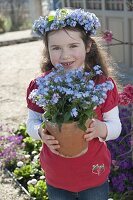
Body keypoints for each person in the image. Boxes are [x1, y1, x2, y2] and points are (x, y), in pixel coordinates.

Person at [26, 8, 122, 200]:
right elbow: (32, 122)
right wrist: (40, 132)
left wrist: (101, 129)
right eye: (56, 48)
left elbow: (116, 127)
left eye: (72, 46)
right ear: (48, 49)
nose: (65, 55)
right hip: (57, 175)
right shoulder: (40, 86)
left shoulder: (102, 85)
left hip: (94, 174)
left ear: (87, 46)